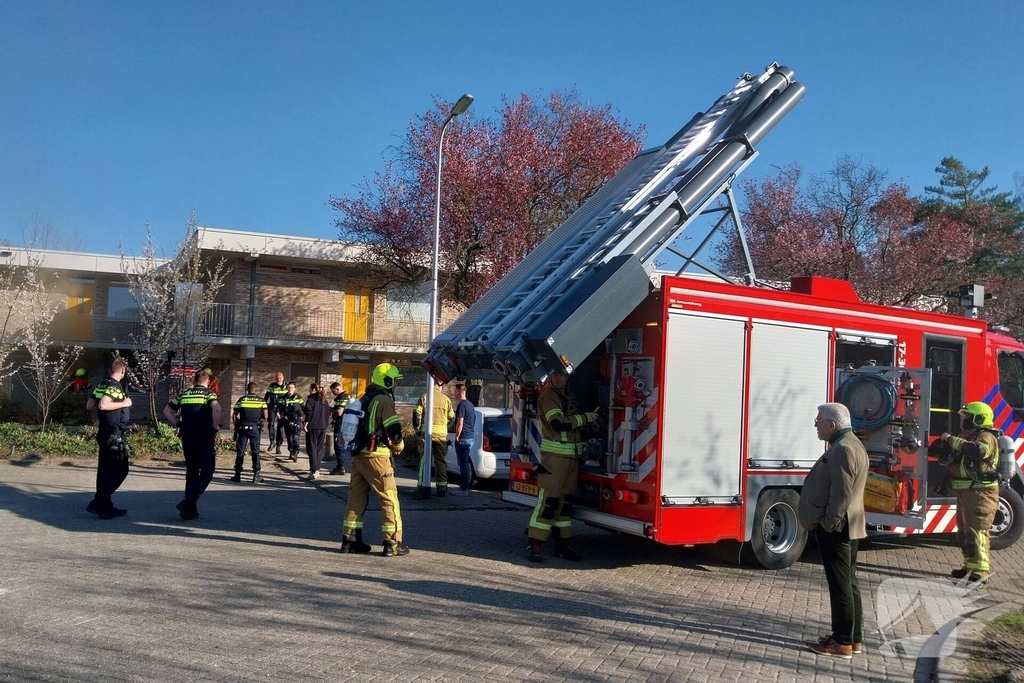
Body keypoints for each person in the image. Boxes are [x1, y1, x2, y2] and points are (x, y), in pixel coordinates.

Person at [799, 402, 869, 659]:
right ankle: (853, 638)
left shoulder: (843, 448)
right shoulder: (850, 444)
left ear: (832, 424)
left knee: (841, 587)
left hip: (838, 528)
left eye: (818, 421)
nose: (816, 425)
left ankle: (842, 642)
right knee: (849, 584)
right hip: (846, 525)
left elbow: (842, 492)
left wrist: (828, 523)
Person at [339, 362, 409, 557]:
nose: (396, 385)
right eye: (394, 381)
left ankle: (350, 541)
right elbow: (394, 431)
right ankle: (392, 543)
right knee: (389, 499)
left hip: (359, 456)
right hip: (377, 457)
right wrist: (400, 446)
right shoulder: (383, 401)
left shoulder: (365, 398)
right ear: (386, 381)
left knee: (356, 498)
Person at [527, 368, 596, 563]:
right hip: (554, 459)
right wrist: (584, 418)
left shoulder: (569, 397)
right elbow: (558, 423)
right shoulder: (548, 398)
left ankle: (563, 546)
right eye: (555, 375)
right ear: (550, 377)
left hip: (571, 458)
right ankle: (535, 544)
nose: (558, 378)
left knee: (565, 505)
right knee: (549, 502)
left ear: (567, 377)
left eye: (561, 375)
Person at [936, 401, 1002, 582]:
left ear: (978, 419)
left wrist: (950, 439)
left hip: (981, 494)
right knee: (965, 534)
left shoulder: (986, 437)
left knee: (977, 532)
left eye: (967, 417)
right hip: (967, 493)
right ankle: (969, 567)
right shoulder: (969, 437)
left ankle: (979, 573)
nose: (963, 421)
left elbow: (979, 451)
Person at [163, 370, 221, 521]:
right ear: (207, 382)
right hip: (204, 437)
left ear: (194, 381)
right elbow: (217, 408)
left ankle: (189, 510)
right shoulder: (208, 394)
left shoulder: (184, 395)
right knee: (207, 472)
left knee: (192, 472)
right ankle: (188, 502)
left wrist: (177, 423)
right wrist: (215, 426)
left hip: (188, 438)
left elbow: (167, 410)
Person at [85, 358, 133, 519]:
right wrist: (124, 403)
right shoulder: (114, 386)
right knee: (121, 470)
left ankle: (105, 507)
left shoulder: (102, 384)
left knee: (105, 472)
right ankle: (98, 501)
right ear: (123, 371)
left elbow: (89, 405)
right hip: (114, 435)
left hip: (104, 433)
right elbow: (103, 405)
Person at [413, 379, 454, 499]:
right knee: (440, 461)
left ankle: (421, 487)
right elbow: (452, 418)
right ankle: (441, 488)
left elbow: (416, 415)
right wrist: (445, 428)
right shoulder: (446, 400)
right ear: (440, 385)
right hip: (441, 436)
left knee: (424, 460)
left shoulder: (424, 397)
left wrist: (417, 431)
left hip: (426, 434)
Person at [231, 382, 268, 483]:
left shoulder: (242, 400)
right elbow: (265, 416)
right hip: (255, 429)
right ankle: (256, 475)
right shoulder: (261, 401)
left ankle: (237, 475)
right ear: (256, 390)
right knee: (255, 451)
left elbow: (234, 414)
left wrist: (236, 426)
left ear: (247, 389)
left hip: (243, 428)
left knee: (240, 451)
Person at [451, 383, 476, 497]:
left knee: (463, 464)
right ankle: (464, 487)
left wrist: (457, 435)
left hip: (463, 437)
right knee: (465, 462)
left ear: (458, 392)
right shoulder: (471, 405)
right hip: (470, 436)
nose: (454, 393)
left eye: (455, 391)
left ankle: (463, 489)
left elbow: (460, 422)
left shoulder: (461, 405)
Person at [303, 385, 331, 481]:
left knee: (312, 449)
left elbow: (309, 413)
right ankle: (317, 469)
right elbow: (328, 412)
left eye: (309, 389)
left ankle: (314, 470)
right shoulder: (324, 400)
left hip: (313, 427)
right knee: (319, 449)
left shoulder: (310, 400)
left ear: (313, 390)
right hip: (322, 427)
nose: (309, 390)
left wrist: (305, 424)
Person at [279, 382, 305, 462]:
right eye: (289, 387)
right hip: (287, 420)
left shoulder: (298, 397)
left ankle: (295, 453)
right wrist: (279, 414)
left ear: (294, 389)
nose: (290, 389)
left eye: (292, 387)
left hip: (296, 419)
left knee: (296, 437)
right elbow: (279, 408)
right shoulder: (283, 398)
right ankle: (291, 451)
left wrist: (303, 418)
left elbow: (304, 408)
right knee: (289, 437)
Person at [329, 382, 350, 475]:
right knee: (338, 445)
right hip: (340, 423)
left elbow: (339, 412)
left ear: (337, 389)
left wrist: (329, 409)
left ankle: (340, 467)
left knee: (338, 446)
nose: (333, 393)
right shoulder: (342, 397)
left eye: (333, 391)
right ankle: (340, 466)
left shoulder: (342, 397)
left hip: (341, 424)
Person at [264, 372, 288, 454]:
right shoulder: (272, 385)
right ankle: (272, 441)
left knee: (280, 428)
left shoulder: (286, 386)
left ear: (283, 377)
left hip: (281, 409)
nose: (279, 379)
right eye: (277, 377)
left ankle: (278, 445)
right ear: (275, 378)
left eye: (280, 377)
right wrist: (264, 407)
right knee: (270, 424)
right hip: (272, 408)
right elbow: (266, 397)